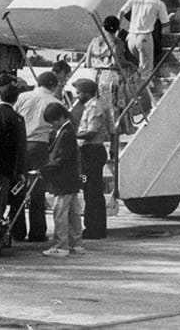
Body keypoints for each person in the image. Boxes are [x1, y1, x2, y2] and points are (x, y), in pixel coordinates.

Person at [13, 71, 62, 243]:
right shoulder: (55, 101)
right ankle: (37, 231)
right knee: (37, 190)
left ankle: (16, 230)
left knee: (18, 187)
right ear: (53, 85)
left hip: (20, 143)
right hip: (40, 145)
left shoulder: (23, 97)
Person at [39, 101, 84, 258]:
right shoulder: (68, 131)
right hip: (70, 180)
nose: (53, 126)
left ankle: (61, 245)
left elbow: (60, 159)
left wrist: (42, 170)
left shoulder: (65, 133)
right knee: (73, 213)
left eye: (53, 122)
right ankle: (76, 243)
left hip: (63, 180)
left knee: (60, 213)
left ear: (60, 118)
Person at [72, 79, 114, 240]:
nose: (77, 95)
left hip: (92, 150)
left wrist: (71, 134)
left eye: (79, 92)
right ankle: (92, 227)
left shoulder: (94, 106)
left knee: (93, 191)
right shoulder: (89, 106)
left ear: (88, 93)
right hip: (88, 151)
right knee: (90, 191)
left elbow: (91, 132)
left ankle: (95, 229)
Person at [0, 83, 27, 230]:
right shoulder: (17, 118)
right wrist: (20, 170)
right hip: (5, 165)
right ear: (16, 99)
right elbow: (20, 146)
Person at [120, 0, 171, 78]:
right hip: (144, 38)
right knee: (146, 71)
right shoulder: (158, 3)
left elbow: (122, 12)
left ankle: (138, 87)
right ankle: (145, 92)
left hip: (130, 38)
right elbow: (166, 27)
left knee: (140, 67)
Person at [85, 16, 126, 129]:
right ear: (117, 29)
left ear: (103, 27)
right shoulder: (117, 42)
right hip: (110, 76)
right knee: (112, 108)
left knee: (96, 106)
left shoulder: (94, 41)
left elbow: (87, 62)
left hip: (95, 76)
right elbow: (115, 62)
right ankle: (113, 136)